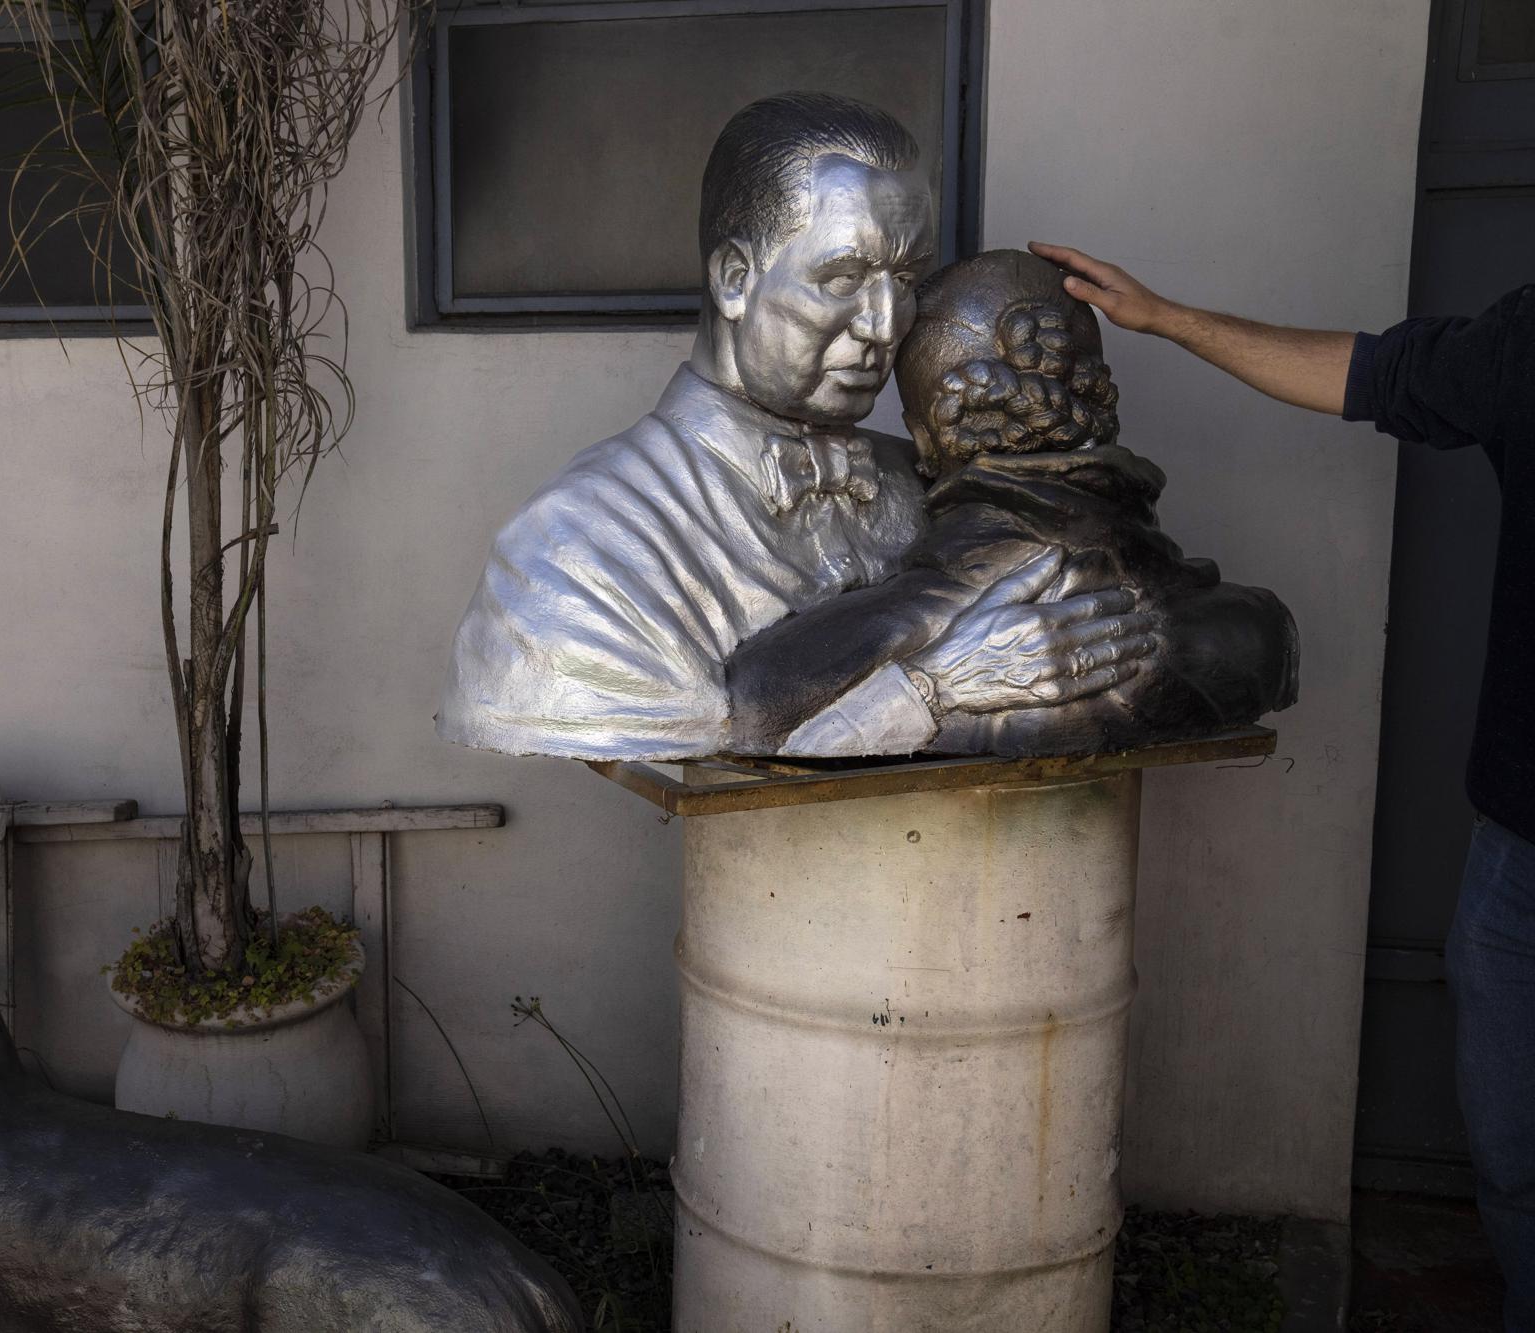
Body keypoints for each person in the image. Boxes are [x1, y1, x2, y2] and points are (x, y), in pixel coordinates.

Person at [1030, 239, 1533, 1329]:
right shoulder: (1525, 343)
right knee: (1511, 1152)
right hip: (1520, 854)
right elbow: (1364, 375)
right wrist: (1164, 317)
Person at [437, 94, 1154, 761]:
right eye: (843, 278)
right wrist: (934, 688)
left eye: (906, 280)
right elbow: (727, 730)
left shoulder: (939, 484)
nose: (884, 326)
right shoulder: (572, 551)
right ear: (734, 277)